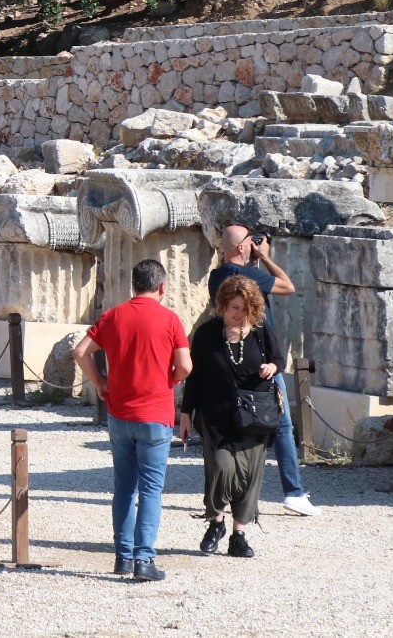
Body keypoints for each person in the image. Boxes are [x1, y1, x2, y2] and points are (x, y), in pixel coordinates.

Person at [72, 260, 192, 582]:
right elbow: (186, 365)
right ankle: (144, 559)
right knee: (151, 490)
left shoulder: (113, 316)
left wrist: (99, 382)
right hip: (155, 414)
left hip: (119, 413)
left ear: (133, 286)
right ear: (163, 287)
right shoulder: (170, 319)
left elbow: (80, 350)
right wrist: (172, 377)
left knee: (124, 488)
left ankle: (123, 557)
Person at [208, 225, 320, 517]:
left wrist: (254, 261)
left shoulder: (217, 277)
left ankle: (233, 496)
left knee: (238, 425)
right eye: (249, 241)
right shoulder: (250, 276)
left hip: (228, 359)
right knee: (281, 425)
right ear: (242, 247)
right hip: (261, 358)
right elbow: (288, 286)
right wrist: (267, 257)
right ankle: (293, 492)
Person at [180, 276, 284, 560]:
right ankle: (216, 523)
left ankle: (239, 534)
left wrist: (272, 366)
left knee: (250, 476)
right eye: (235, 307)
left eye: (245, 309)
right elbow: (196, 377)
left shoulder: (261, 333)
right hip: (215, 415)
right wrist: (186, 414)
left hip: (254, 416)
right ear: (223, 304)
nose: (239, 314)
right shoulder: (207, 334)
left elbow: (280, 358)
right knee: (222, 467)